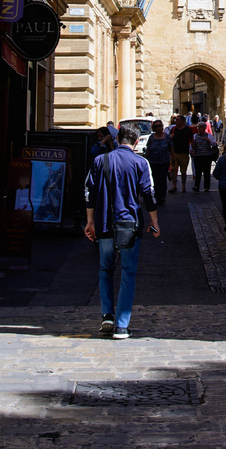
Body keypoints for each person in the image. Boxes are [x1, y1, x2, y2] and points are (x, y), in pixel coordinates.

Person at [84, 122, 159, 339]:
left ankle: (107, 314)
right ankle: (121, 325)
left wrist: (90, 222)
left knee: (105, 269)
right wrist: (154, 223)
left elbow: (89, 192)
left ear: (117, 140)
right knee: (128, 273)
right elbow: (149, 196)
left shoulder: (101, 160)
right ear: (136, 142)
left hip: (104, 223)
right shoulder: (140, 163)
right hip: (129, 224)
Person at [144, 119, 174, 204]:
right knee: (155, 179)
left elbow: (171, 148)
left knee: (162, 178)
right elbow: (148, 149)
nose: (158, 128)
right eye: (156, 126)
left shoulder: (167, 137)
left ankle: (162, 196)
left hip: (164, 162)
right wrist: (145, 159)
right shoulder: (151, 137)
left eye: (159, 126)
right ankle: (156, 195)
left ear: (162, 127)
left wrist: (173, 159)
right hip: (153, 161)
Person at [190, 121, 217, 192]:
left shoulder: (208, 136)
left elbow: (214, 144)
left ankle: (206, 187)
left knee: (206, 172)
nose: (199, 129)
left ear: (204, 128)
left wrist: (209, 141)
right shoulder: (195, 136)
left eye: (201, 127)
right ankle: (196, 186)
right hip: (198, 156)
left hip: (207, 156)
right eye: (198, 127)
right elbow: (191, 145)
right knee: (198, 172)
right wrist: (192, 151)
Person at [169, 114, 191, 193]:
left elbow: (192, 141)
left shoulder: (188, 130)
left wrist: (192, 150)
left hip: (184, 153)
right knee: (173, 170)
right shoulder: (173, 129)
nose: (176, 121)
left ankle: (183, 186)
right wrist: (170, 137)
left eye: (178, 120)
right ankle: (174, 186)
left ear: (182, 121)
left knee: (183, 172)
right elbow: (169, 140)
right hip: (174, 153)